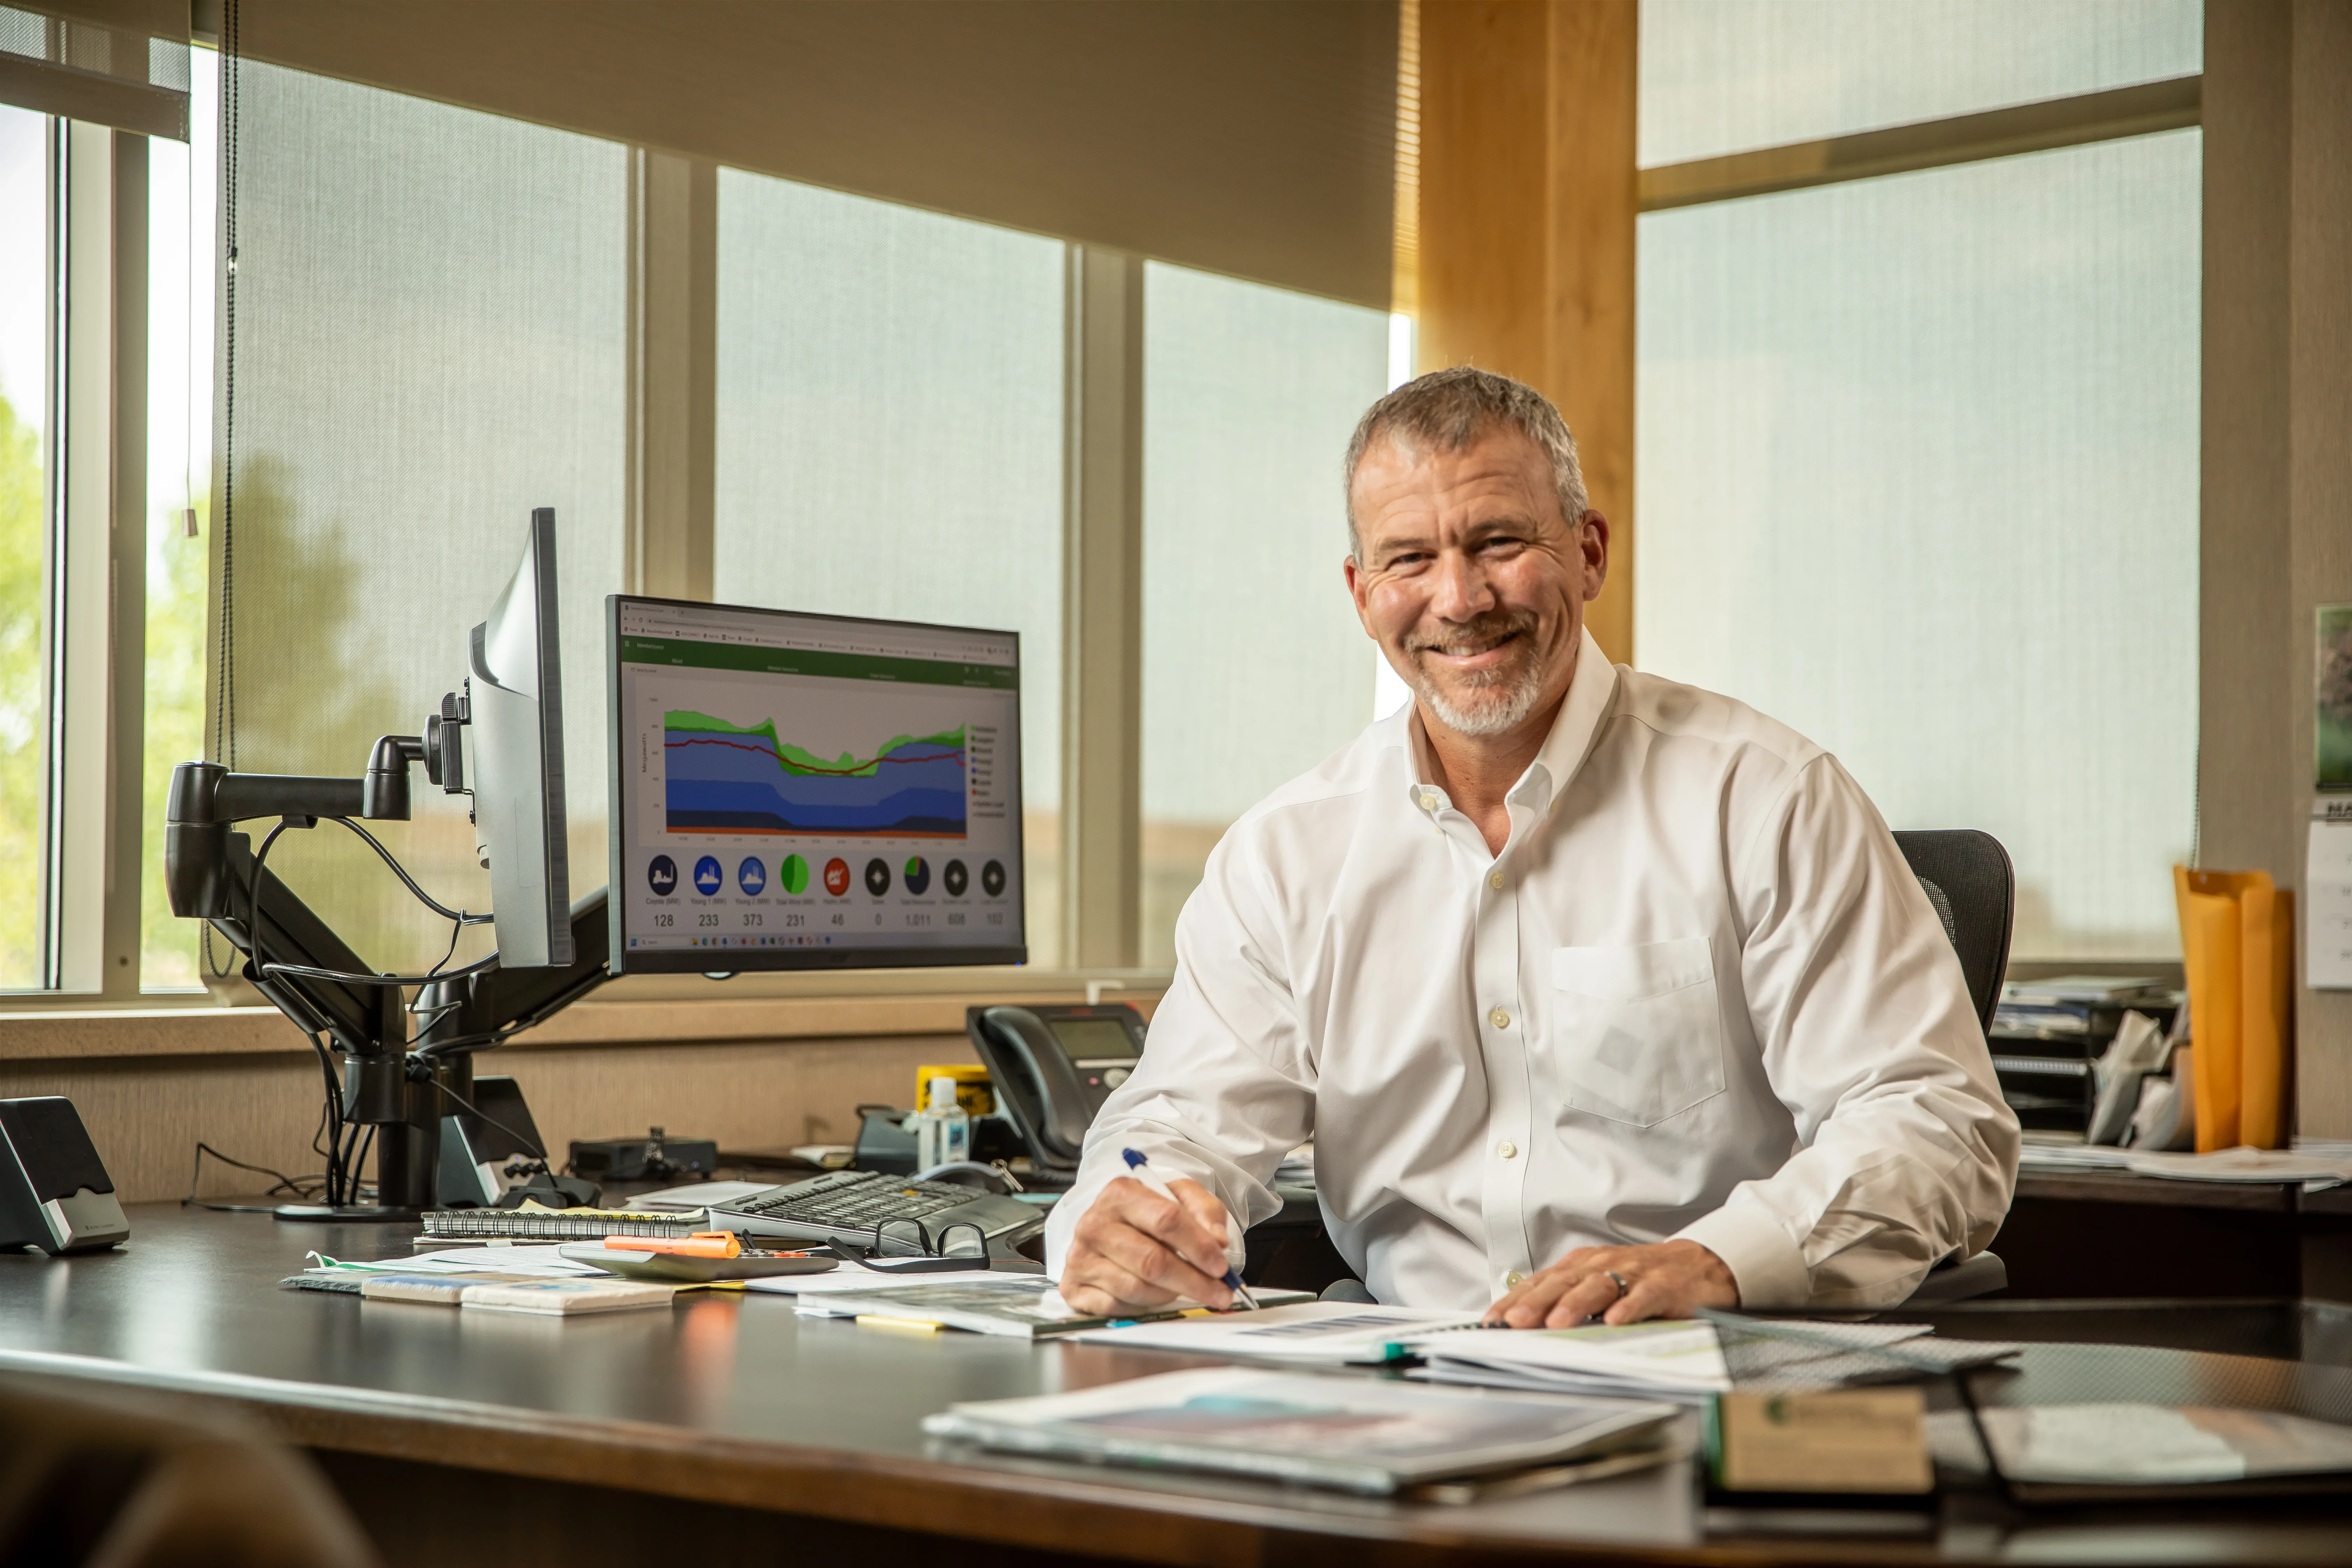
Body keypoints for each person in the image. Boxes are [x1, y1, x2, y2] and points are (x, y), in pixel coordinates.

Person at [1044, 366, 2018, 1326]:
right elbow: (1171, 1123)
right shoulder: (1286, 855)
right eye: (1410, 560)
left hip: (1710, 1364)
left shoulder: (1762, 797)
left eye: (1498, 542)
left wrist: (1719, 1261)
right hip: (1411, 1393)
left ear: (1589, 552)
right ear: (1361, 592)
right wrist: (1130, 1217)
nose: (1460, 598)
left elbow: (1933, 1123)